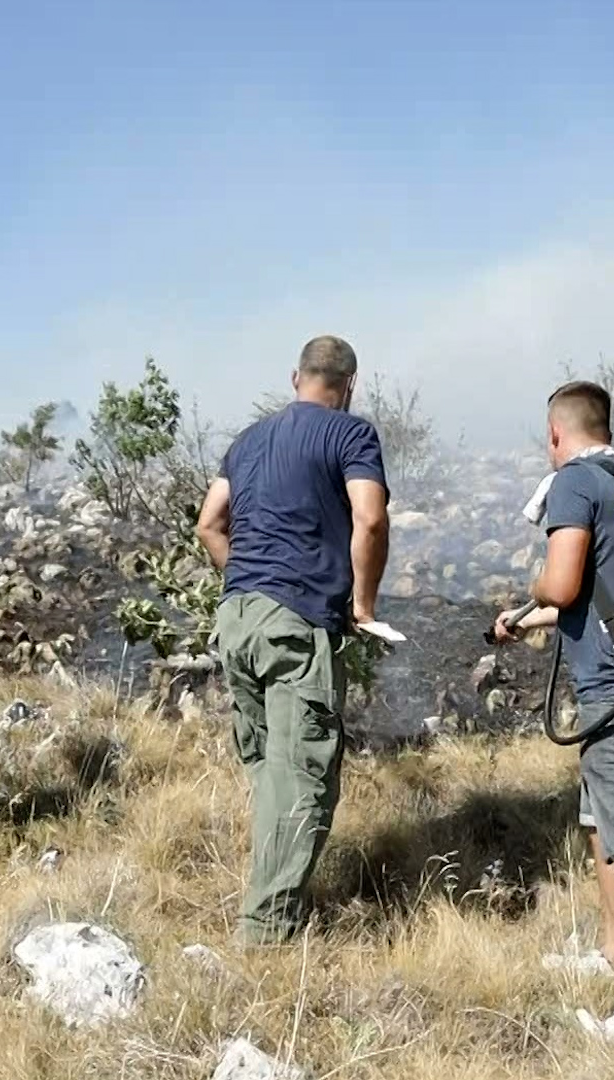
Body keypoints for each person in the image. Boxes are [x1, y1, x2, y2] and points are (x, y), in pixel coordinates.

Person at [493, 380, 614, 1043]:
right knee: (603, 818)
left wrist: (538, 589)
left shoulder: (575, 481)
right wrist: (530, 620)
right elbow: (602, 594)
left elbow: (565, 580)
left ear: (555, 433)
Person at [196, 335, 390, 945]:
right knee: (302, 773)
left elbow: (209, 523)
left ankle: (269, 896)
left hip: (237, 618)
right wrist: (361, 604)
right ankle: (265, 935)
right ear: (350, 384)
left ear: (295, 377)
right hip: (296, 622)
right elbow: (371, 516)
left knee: (269, 771)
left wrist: (247, 576)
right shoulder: (350, 435)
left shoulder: (248, 441)